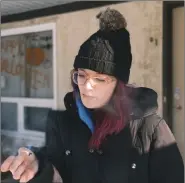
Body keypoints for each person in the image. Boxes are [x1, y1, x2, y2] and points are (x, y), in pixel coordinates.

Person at [1, 8, 184, 183]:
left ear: (118, 85)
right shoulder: (62, 124)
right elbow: (57, 173)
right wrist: (40, 168)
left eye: (100, 79)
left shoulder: (149, 129)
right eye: (82, 75)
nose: (87, 86)